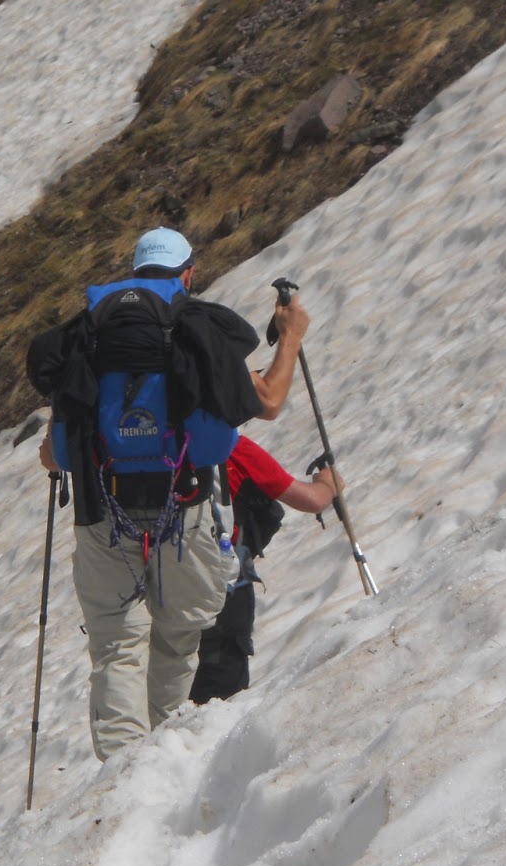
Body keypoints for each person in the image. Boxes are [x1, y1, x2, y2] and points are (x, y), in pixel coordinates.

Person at [26, 227, 325, 760]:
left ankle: (118, 778)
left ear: (136, 271)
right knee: (177, 640)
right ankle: (163, 762)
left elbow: (56, 453)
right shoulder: (196, 331)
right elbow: (269, 401)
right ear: (188, 274)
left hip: (103, 518)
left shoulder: (91, 335)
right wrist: (293, 334)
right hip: (183, 514)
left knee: (118, 650)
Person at [189, 433, 337, 704]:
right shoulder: (228, 446)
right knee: (219, 691)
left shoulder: (131, 445)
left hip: (152, 587)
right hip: (222, 585)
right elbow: (311, 500)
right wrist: (328, 483)